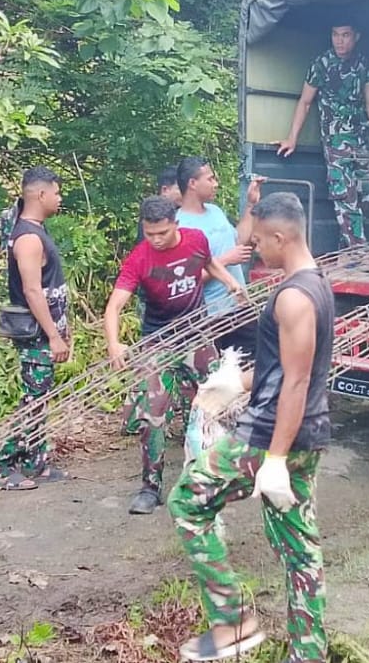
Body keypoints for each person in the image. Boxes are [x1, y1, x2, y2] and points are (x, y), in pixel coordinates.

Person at [169, 191, 335, 663]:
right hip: (304, 433)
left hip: (269, 436)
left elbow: (297, 380)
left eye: (260, 240)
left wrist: (276, 459)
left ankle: (232, 620)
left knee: (186, 501)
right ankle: (309, 653)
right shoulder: (314, 282)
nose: (255, 247)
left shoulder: (295, 297)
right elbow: (284, 364)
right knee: (299, 550)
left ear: (281, 237)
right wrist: (235, 382)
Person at [103, 196, 248, 515]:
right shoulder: (139, 259)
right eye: (149, 233)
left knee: (217, 403)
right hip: (158, 343)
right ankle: (149, 488)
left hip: (197, 336)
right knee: (152, 413)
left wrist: (230, 284)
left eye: (162, 233)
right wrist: (114, 343)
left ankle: (220, 472)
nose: (155, 239)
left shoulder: (196, 240)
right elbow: (114, 306)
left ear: (176, 225)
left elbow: (208, 263)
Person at [0, 166, 71, 491]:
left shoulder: (37, 230)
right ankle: (3, 465)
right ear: (40, 194)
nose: (59, 197)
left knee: (40, 396)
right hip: (35, 335)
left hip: (46, 332)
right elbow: (32, 290)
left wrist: (63, 331)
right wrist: (52, 334)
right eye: (56, 191)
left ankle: (35, 462)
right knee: (33, 399)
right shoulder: (28, 238)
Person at [277, 21, 369, 257]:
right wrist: (292, 138)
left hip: (362, 140)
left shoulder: (365, 64)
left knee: (364, 194)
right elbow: (305, 102)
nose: (340, 40)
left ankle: (346, 253)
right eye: (335, 35)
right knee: (344, 195)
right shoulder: (321, 64)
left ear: (356, 36)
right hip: (336, 141)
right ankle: (360, 252)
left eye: (345, 35)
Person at [174, 156, 263, 357]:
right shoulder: (179, 226)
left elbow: (239, 240)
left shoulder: (215, 211)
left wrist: (251, 205)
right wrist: (226, 260)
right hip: (209, 318)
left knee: (251, 371)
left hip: (240, 308)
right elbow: (185, 280)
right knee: (215, 381)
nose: (216, 184)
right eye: (211, 179)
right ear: (193, 184)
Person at [122, 163, 186, 437]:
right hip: (153, 304)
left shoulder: (168, 225)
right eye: (178, 189)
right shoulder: (152, 228)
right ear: (165, 190)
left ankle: (139, 417)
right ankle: (141, 417)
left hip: (162, 305)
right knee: (153, 365)